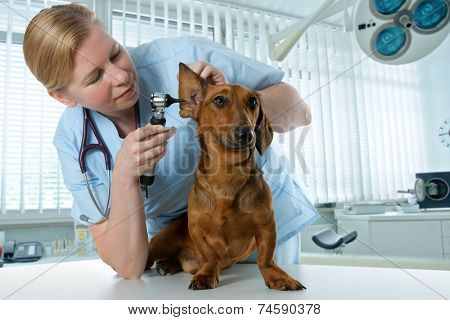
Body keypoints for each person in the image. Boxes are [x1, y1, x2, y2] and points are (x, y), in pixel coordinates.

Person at [23, 2, 319, 279]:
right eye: (96, 77)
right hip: (186, 246)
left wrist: (231, 105)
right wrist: (124, 177)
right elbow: (127, 266)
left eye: (115, 53)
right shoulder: (74, 143)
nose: (121, 76)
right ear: (63, 97)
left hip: (258, 225)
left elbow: (300, 110)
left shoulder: (185, 59)